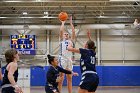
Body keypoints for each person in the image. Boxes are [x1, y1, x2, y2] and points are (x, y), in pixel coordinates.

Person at [58, 16, 75, 93]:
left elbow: (73, 32)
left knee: (70, 78)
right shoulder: (61, 40)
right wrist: (63, 23)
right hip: (62, 59)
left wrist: (71, 23)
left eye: (67, 34)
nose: (66, 35)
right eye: (65, 34)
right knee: (61, 78)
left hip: (69, 60)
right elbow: (61, 31)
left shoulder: (71, 41)